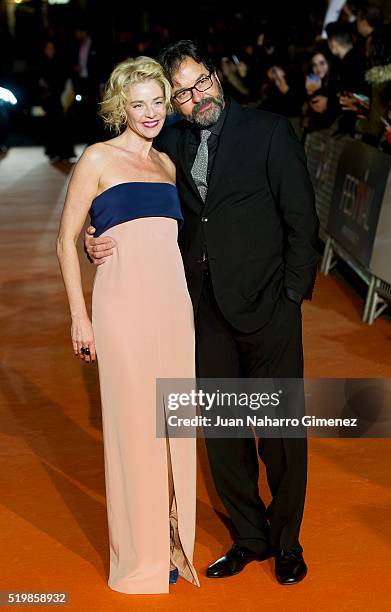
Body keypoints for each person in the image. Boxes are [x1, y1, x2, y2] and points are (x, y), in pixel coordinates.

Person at [85, 40, 320, 586]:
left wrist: (290, 297)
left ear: (217, 75)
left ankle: (287, 542)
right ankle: (248, 536)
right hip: (198, 311)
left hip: (269, 308)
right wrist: (98, 233)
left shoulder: (269, 131)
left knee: (280, 432)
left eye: (202, 83)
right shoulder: (164, 142)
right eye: (183, 94)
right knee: (223, 434)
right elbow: (129, 194)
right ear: (172, 101)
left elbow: (302, 222)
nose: (197, 98)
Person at [57, 56, 200, 595]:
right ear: (120, 106)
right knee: (132, 432)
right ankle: (139, 557)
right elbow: (65, 240)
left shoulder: (167, 165)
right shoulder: (97, 158)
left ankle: (174, 542)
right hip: (120, 311)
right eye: (137, 103)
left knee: (174, 429)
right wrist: (80, 317)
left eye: (157, 102)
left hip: (173, 310)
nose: (149, 112)